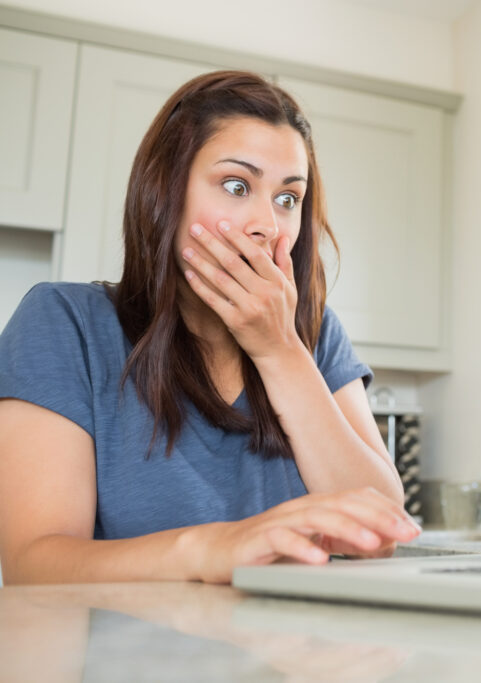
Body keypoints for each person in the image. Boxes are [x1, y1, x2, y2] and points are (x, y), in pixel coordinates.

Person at [0, 71, 420, 585]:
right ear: (166, 191)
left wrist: (280, 351)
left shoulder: (313, 335)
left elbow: (380, 531)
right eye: (237, 185)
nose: (267, 223)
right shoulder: (65, 323)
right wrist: (213, 548)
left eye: (288, 198)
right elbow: (34, 564)